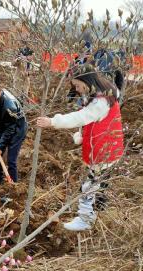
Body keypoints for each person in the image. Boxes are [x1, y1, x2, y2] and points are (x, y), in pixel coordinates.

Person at [37, 66, 124, 231]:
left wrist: (53, 121)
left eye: (77, 86)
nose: (76, 90)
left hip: (103, 150)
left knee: (88, 187)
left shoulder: (101, 101)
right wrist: (82, 136)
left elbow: (81, 117)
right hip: (108, 145)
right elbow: (90, 118)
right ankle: (96, 213)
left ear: (87, 81)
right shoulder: (103, 94)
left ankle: (85, 220)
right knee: (97, 184)